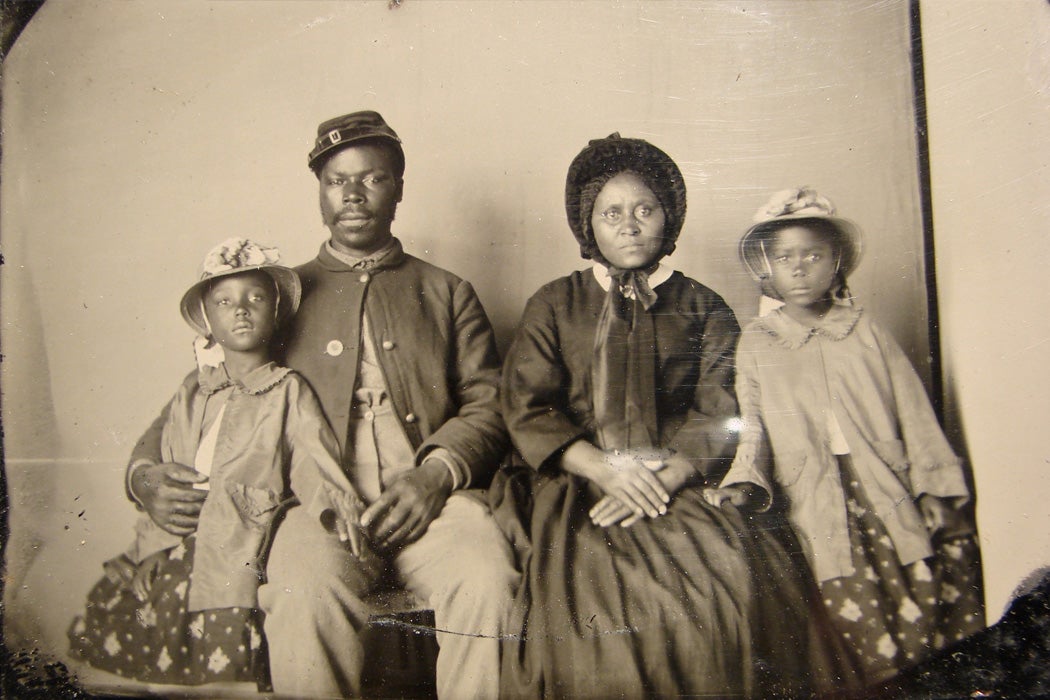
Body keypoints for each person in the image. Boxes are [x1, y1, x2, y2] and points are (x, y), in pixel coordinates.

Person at [124, 111, 517, 698]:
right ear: (319, 192)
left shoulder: (446, 291)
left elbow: (488, 408)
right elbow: (206, 395)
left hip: (434, 503)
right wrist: (145, 476)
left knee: (487, 579)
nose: (353, 195)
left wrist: (434, 477)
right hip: (313, 506)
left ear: (399, 189)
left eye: (373, 178)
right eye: (336, 181)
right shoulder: (279, 293)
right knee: (301, 590)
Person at [490, 135, 844, 698]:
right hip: (580, 483)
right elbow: (528, 406)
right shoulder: (555, 304)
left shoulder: (703, 306)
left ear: (667, 218)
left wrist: (669, 475)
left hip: (679, 481)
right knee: (585, 615)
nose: (628, 225)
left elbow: (722, 406)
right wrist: (605, 470)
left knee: (723, 587)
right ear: (589, 226)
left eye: (644, 210)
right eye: (612, 213)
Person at [705, 187, 984, 685]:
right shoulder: (758, 342)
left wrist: (934, 485)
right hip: (814, 492)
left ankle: (931, 679)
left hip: (882, 484)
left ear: (836, 263)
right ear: (765, 268)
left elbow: (913, 412)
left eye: (813, 255)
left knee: (917, 578)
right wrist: (744, 479)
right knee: (844, 599)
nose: (798, 268)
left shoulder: (864, 329)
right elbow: (754, 426)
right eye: (785, 257)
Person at [69, 238, 372, 685]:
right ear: (208, 321)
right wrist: (152, 547)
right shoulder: (194, 390)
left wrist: (335, 507)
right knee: (149, 619)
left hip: (240, 539)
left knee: (232, 661)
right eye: (225, 303)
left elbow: (312, 458)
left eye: (255, 299)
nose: (242, 310)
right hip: (184, 539)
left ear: (276, 311)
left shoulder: (287, 389)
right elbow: (168, 469)